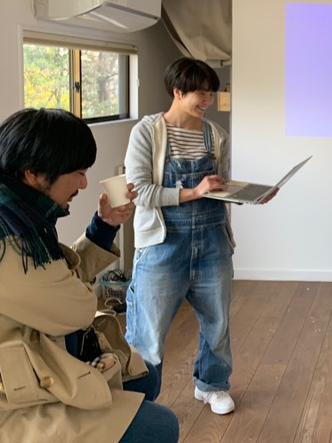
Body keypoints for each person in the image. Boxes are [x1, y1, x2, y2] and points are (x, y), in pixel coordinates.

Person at [0, 108, 179, 443]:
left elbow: (56, 281)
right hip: (15, 394)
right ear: (33, 173)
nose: (83, 183)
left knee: (146, 377)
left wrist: (104, 226)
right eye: (78, 172)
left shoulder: (19, 217)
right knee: (161, 426)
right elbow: (78, 307)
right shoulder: (10, 242)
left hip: (40, 357)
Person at [125, 58, 273, 416]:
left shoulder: (215, 136)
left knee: (217, 322)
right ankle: (136, 401)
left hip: (212, 241)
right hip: (162, 244)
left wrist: (248, 195)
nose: (207, 101)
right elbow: (139, 191)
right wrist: (193, 191)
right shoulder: (148, 132)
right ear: (177, 91)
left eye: (210, 93)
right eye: (200, 94)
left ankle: (212, 385)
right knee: (148, 331)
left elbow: (217, 188)